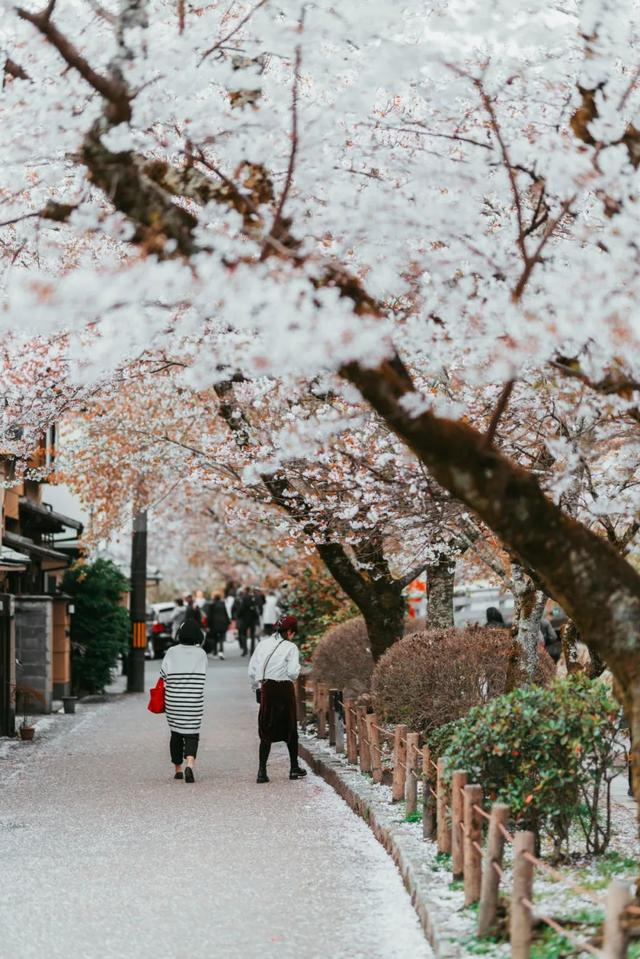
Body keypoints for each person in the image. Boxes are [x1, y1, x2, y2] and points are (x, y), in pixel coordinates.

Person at [248, 614, 307, 784]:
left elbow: (252, 670)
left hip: (266, 688)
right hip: (284, 689)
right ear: (289, 631)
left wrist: (257, 689)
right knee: (290, 728)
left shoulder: (263, 644)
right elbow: (293, 673)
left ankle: (261, 771)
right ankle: (294, 767)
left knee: (266, 727)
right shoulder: (290, 647)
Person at [159, 620, 208, 783]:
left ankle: (178, 769)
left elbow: (163, 675)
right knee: (192, 733)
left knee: (176, 733)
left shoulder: (171, 652)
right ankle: (190, 764)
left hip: (174, 700)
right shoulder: (201, 653)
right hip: (193, 699)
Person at [234, 588, 260, 656]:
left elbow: (241, 609)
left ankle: (245, 650)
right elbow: (257, 608)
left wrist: (238, 615)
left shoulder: (244, 598)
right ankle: (252, 650)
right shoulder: (254, 598)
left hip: (244, 619)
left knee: (244, 634)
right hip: (253, 619)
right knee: (252, 635)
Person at [206, 593, 230, 660]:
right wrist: (228, 622)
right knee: (221, 639)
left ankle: (215, 652)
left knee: (215, 639)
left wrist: (208, 624)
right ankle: (221, 652)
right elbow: (226, 613)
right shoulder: (222, 604)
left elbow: (209, 616)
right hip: (223, 624)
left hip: (214, 624)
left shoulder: (212, 605)